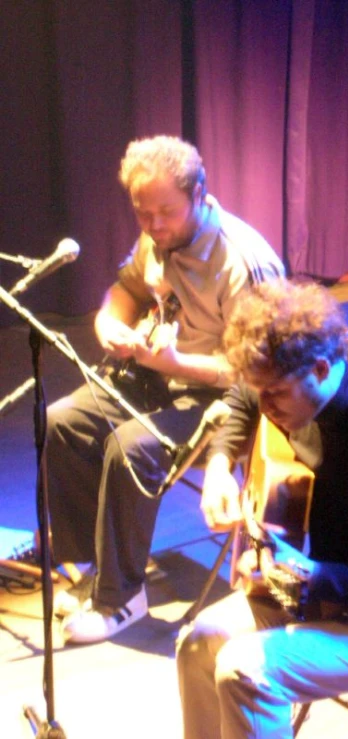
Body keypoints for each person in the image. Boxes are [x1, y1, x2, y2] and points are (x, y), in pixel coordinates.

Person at [176, 279, 348, 739]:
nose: (265, 406)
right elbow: (246, 398)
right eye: (261, 391)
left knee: (246, 670)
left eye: (276, 395)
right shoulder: (293, 390)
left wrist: (309, 575)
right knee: (198, 641)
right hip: (327, 595)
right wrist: (221, 465)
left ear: (321, 369)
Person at [46, 135, 285, 644]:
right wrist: (109, 322)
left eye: (166, 213)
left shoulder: (240, 261)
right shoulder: (159, 240)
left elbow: (258, 370)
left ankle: (120, 598)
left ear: (199, 193)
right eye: (142, 214)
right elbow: (127, 288)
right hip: (162, 373)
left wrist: (179, 363)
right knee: (62, 421)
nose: (154, 226)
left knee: (129, 448)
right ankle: (93, 566)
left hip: (225, 396)